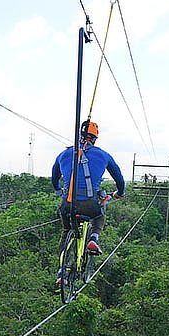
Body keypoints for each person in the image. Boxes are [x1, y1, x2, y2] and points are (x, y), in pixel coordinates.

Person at [51, 121, 125, 282]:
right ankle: (93, 238)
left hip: (67, 204)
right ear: (95, 138)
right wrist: (120, 193)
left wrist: (59, 190)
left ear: (79, 136)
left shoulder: (63, 154)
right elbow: (119, 179)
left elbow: (54, 178)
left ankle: (61, 273)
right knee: (99, 215)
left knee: (66, 232)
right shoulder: (102, 154)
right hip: (90, 205)